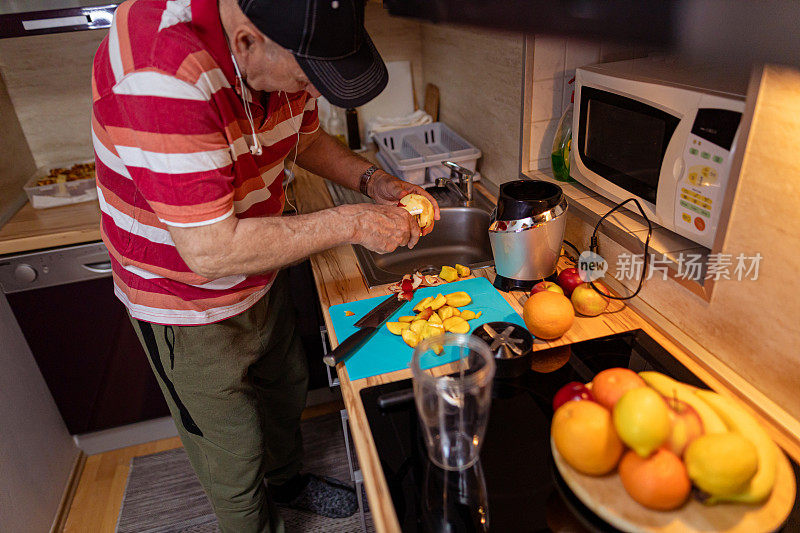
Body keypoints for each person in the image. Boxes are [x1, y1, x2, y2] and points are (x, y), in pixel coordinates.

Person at [91, 0, 439, 530]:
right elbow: (209, 250)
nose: (317, 91)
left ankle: (288, 481)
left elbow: (304, 136)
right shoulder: (162, 71)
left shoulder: (277, 41)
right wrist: (353, 223)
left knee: (283, 392)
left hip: (261, 268)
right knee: (232, 450)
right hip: (184, 302)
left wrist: (376, 182)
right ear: (247, 41)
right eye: (307, 76)